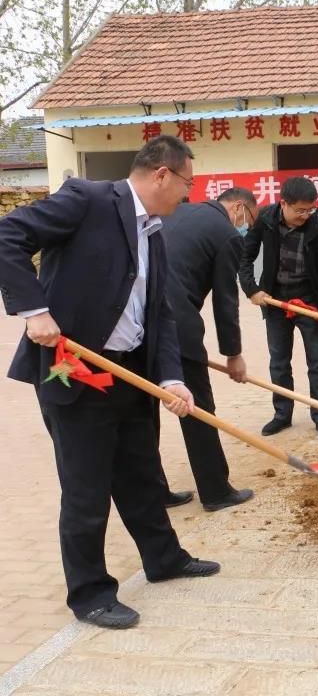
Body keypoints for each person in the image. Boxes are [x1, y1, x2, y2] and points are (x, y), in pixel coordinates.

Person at [0, 135, 221, 629]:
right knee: (87, 488)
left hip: (128, 373)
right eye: (187, 182)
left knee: (141, 472)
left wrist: (170, 377)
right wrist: (33, 308)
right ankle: (91, 594)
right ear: (162, 174)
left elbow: (159, 312)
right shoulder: (89, 200)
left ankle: (164, 559)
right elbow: (7, 235)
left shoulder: (154, 232)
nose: (189, 193)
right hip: (72, 370)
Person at [157, 187, 257, 511]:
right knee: (197, 408)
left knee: (141, 414)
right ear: (240, 207)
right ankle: (216, 491)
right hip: (176, 325)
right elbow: (225, 301)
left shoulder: (179, 211)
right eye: (249, 221)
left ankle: (152, 492)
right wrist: (233, 354)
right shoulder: (227, 234)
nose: (245, 227)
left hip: (137, 322)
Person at [239, 177, 318, 439]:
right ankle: (282, 414)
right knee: (279, 361)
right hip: (275, 300)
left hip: (309, 300)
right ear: (283, 203)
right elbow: (245, 255)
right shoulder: (265, 219)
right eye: (299, 210)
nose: (305, 215)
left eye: (310, 209)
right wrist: (252, 289)